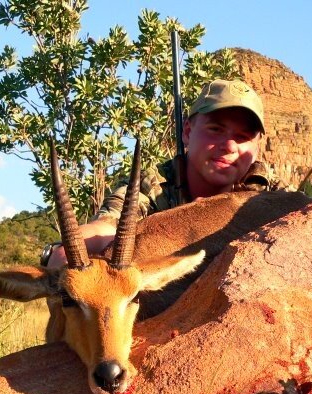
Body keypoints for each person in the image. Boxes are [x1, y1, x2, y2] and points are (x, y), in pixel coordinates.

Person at [41, 78, 273, 268]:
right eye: (215, 129)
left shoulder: (273, 193)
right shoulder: (151, 185)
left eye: (242, 137)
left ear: (257, 147)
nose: (229, 146)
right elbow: (109, 227)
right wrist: (73, 249)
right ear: (187, 132)